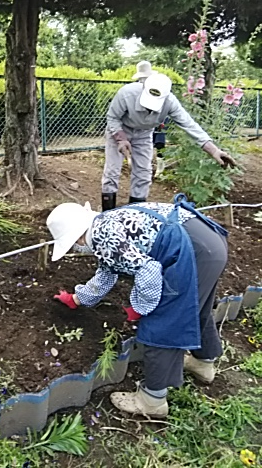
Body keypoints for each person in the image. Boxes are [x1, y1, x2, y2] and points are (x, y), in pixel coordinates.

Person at [46, 195, 228, 417]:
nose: (76, 249)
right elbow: (107, 272)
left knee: (163, 322)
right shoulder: (105, 223)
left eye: (73, 245)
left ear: (78, 239)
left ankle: (152, 401)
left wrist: (142, 308)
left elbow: (148, 271)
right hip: (208, 243)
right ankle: (203, 363)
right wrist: (77, 298)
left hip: (192, 251)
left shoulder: (103, 237)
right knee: (192, 306)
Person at [101, 72, 236, 211]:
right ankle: (106, 216)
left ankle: (134, 217)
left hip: (144, 133)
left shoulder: (170, 102)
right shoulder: (127, 94)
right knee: (112, 171)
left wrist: (213, 150)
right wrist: (121, 139)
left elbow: (189, 124)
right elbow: (112, 117)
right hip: (118, 130)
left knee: (143, 174)